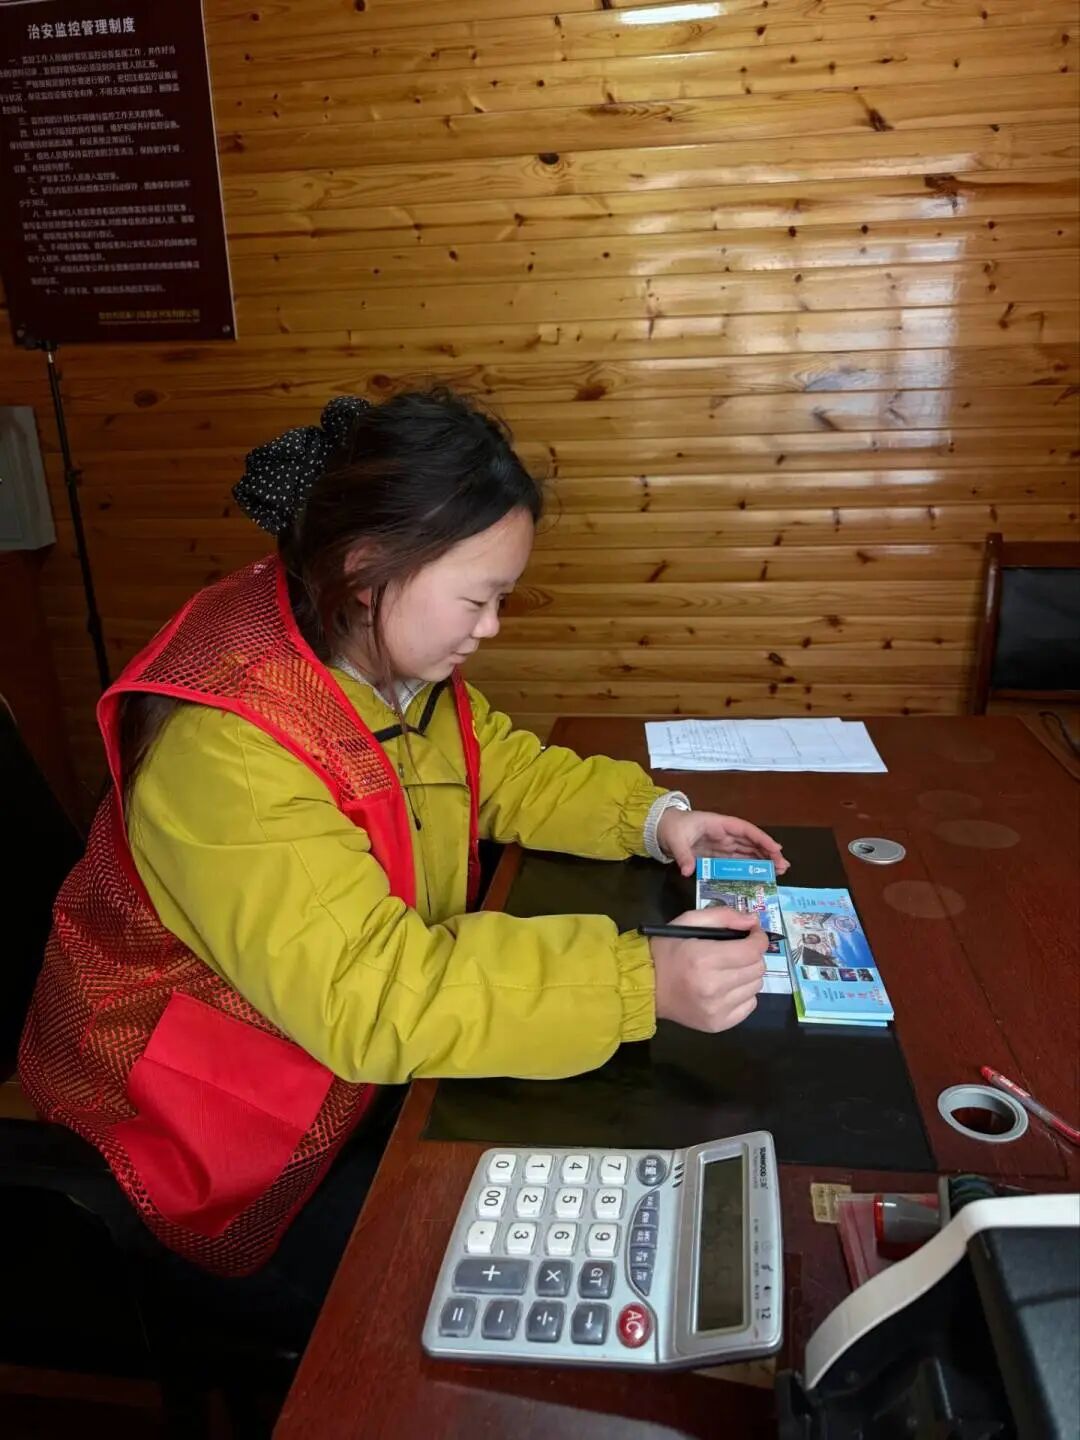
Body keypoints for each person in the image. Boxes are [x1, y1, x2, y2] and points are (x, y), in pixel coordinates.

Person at [20, 388, 787, 1346]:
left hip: (346, 1061)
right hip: (208, 1137)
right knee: (495, 1288)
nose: (492, 627)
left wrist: (653, 818)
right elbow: (374, 998)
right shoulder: (230, 750)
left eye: (502, 598)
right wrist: (640, 980)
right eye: (478, 598)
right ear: (366, 568)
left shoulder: (365, 646)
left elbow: (490, 764)